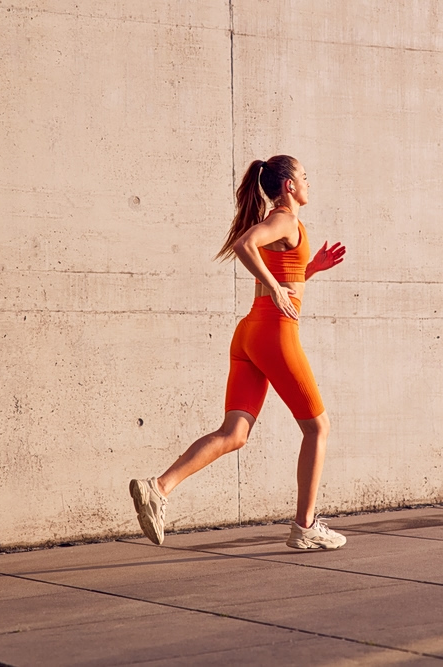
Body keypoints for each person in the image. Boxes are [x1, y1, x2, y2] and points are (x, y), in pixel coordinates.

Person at [130, 155, 348, 549]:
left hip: (250, 333)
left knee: (234, 433)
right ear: (288, 186)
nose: (308, 182)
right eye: (304, 176)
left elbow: (280, 270)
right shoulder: (284, 219)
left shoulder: (283, 224)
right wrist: (279, 289)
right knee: (318, 428)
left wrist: (308, 269)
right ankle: (305, 527)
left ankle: (158, 488)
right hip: (274, 332)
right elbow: (245, 245)